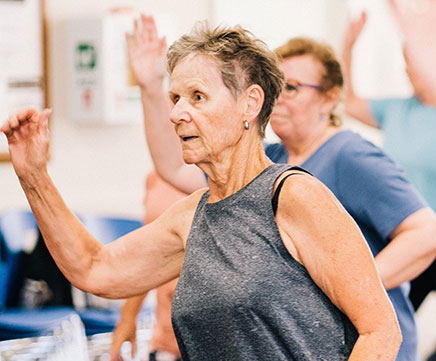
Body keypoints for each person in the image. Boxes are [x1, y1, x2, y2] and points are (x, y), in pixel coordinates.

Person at [1, 20, 402, 360]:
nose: (177, 113)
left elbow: (381, 332)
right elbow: (95, 268)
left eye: (197, 97)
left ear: (250, 104)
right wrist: (33, 175)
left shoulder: (294, 197)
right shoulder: (192, 215)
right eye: (175, 98)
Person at [126, 15, 436, 361]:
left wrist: (342, 285)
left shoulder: (349, 155)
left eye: (294, 88)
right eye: (279, 86)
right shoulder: (271, 160)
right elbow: (172, 168)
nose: (281, 97)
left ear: (329, 99)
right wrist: (152, 88)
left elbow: (426, 234)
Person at [342, 6, 436, 312]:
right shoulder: (398, 109)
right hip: (409, 238)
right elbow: (349, 102)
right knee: (391, 317)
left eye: (413, 61)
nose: (407, 70)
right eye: (406, 62)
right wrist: (349, 46)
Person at [110, 170, 184, 361]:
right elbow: (149, 254)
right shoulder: (158, 176)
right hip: (166, 339)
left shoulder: (225, 174)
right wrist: (128, 315)